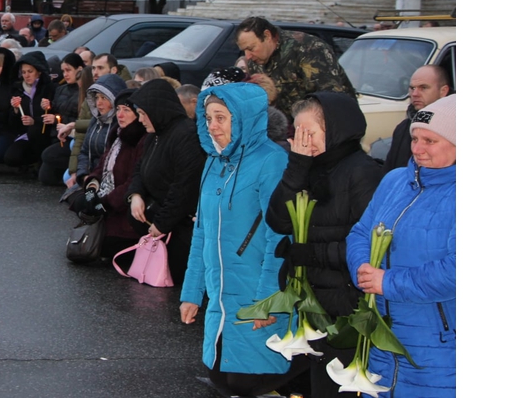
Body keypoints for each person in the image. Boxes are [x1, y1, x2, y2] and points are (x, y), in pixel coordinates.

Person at [264, 92, 384, 398]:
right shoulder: (308, 168)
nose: (303, 142)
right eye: (298, 133)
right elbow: (278, 220)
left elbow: (372, 248)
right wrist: (296, 168)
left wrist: (312, 254)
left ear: (336, 129)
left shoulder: (362, 173)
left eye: (311, 133)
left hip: (347, 306)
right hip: (317, 304)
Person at [179, 82, 292, 397]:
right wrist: (192, 293)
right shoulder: (214, 162)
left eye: (221, 118)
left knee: (248, 381)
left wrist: (269, 301)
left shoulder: (272, 160)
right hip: (220, 297)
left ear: (244, 118)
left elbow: (280, 236)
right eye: (208, 118)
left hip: (255, 293)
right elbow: (201, 232)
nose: (212, 127)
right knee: (221, 378)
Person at [346, 94, 455, 397]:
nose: (417, 149)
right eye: (415, 138)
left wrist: (388, 282)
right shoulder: (396, 180)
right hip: (383, 336)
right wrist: (361, 269)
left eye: (430, 141)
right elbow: (360, 232)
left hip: (439, 345)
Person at [125, 79, 206, 286]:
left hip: (179, 226)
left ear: (157, 110)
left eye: (143, 114)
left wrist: (162, 223)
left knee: (175, 281)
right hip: (159, 219)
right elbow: (140, 168)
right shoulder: (155, 134)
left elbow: (184, 187)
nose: (140, 119)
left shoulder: (186, 135)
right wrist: (136, 195)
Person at [69, 88, 147, 257]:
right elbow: (101, 167)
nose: (120, 115)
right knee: (81, 203)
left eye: (126, 110)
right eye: (118, 109)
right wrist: (91, 187)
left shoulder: (140, 140)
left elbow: (132, 181)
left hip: (122, 209)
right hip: (106, 198)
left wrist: (104, 203)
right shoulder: (117, 135)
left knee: (102, 248)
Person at [236, 16, 355, 119]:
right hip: (286, 131)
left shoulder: (309, 49)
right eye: (244, 50)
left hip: (326, 131)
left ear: (267, 36)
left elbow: (330, 100)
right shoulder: (255, 60)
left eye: (251, 48)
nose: (248, 56)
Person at [383, 64, 451, 172]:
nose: (415, 94)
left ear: (443, 91)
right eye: (412, 88)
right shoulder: (403, 128)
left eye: (423, 88)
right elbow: (390, 170)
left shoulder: (452, 130)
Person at [3, 51, 57, 170]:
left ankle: (41, 163)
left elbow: (56, 113)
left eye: (30, 72)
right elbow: (12, 124)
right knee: (10, 158)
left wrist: (38, 118)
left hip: (45, 133)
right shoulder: (18, 90)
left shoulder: (49, 88)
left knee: (35, 130)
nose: (26, 75)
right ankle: (33, 162)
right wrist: (16, 110)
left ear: (38, 72)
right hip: (25, 135)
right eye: (23, 72)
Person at [37, 52, 84, 185]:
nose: (65, 74)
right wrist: (48, 107)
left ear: (79, 69)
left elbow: (80, 116)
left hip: (72, 136)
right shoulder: (61, 89)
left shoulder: (84, 91)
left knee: (49, 156)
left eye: (68, 70)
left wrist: (61, 119)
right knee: (45, 177)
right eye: (63, 71)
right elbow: (57, 109)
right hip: (57, 134)